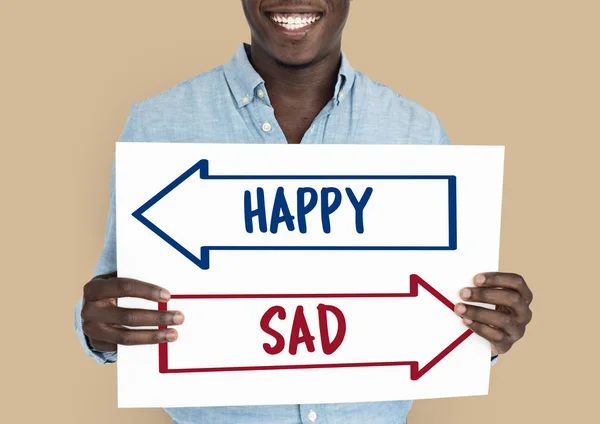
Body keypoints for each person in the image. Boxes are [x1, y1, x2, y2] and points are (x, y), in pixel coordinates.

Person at [74, 1, 534, 423]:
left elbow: (439, 308)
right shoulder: (155, 125)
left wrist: (485, 332)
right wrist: (98, 329)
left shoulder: (417, 131)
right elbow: (114, 299)